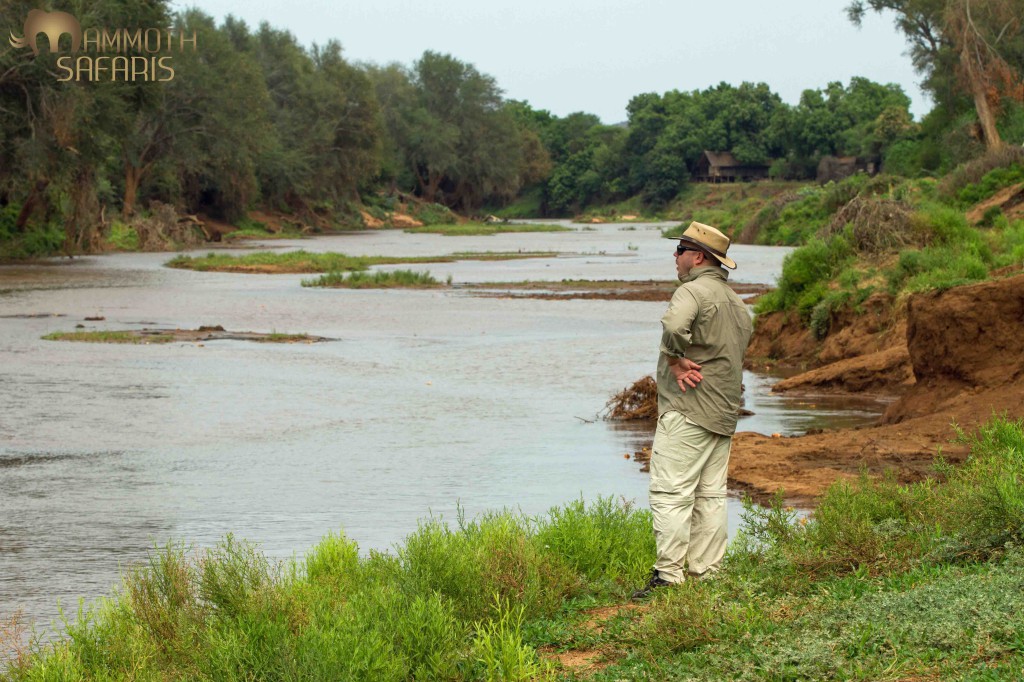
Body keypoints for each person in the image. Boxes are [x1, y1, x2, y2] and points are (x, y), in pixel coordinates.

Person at [631, 221, 753, 600]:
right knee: (711, 496)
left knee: (670, 491)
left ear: (698, 257)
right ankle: (707, 575)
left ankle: (669, 577)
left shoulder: (691, 291)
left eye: (681, 250)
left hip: (687, 409)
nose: (676, 256)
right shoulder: (737, 304)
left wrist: (674, 360)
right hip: (723, 413)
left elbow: (673, 327)